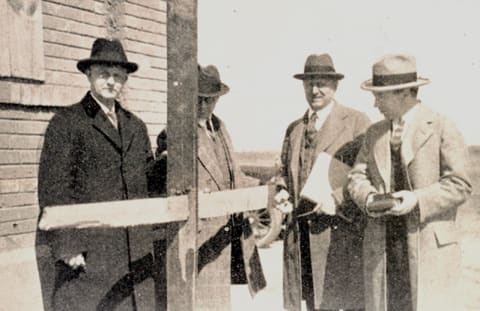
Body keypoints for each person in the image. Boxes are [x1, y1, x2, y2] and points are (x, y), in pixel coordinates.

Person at [37, 38, 156, 311]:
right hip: (88, 254)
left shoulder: (136, 126)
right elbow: (54, 187)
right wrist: (68, 246)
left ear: (125, 79)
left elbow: (147, 180)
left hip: (132, 250)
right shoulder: (67, 123)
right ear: (89, 75)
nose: (111, 82)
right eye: (104, 74)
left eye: (117, 75)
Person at [347, 54, 472, 311]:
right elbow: (356, 177)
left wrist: (417, 199)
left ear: (403, 93)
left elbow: (460, 183)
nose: (375, 103)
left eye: (380, 95)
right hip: (383, 250)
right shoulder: (374, 133)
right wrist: (368, 198)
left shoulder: (441, 126)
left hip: (428, 252)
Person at [151, 65, 266, 310]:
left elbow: (235, 177)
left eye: (211, 100)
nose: (205, 106)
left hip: (225, 241)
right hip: (198, 243)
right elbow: (165, 183)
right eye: (199, 100)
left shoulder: (221, 128)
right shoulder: (175, 133)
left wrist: (265, 189)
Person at [277, 54, 371, 311]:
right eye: (309, 84)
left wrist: (338, 199)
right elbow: (283, 172)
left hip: (339, 238)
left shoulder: (356, 122)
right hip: (301, 241)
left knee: (342, 302)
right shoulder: (294, 129)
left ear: (335, 86)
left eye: (322, 84)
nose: (315, 90)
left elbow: (370, 177)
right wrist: (282, 191)